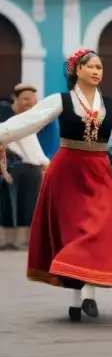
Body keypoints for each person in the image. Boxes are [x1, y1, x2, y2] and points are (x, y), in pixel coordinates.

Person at [0, 49, 112, 322]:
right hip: (66, 172)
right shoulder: (61, 100)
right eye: (92, 67)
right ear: (78, 70)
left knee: (96, 230)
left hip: (99, 171)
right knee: (75, 234)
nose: (98, 72)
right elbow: (27, 122)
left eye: (100, 67)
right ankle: (79, 298)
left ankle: (88, 295)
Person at [3, 84, 49, 251]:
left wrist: (44, 163)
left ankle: (26, 241)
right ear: (16, 99)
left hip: (30, 166)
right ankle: (10, 240)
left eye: (32, 99)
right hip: (14, 166)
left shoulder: (29, 120)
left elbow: (33, 146)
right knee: (10, 204)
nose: (29, 102)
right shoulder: (8, 117)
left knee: (29, 204)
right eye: (25, 99)